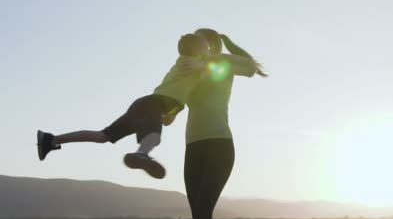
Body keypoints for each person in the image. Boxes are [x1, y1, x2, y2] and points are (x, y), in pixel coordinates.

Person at [37, 33, 259, 179]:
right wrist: (222, 53)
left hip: (146, 106)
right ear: (196, 50)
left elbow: (169, 119)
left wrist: (169, 115)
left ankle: (51, 139)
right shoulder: (190, 62)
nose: (208, 51)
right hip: (151, 105)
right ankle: (142, 155)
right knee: (154, 137)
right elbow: (235, 66)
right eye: (204, 47)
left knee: (103, 136)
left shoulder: (185, 71)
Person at [179, 28, 265, 219]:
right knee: (200, 216)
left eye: (203, 41)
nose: (198, 46)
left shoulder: (223, 63)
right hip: (193, 147)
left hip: (219, 144)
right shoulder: (189, 68)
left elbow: (251, 66)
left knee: (203, 212)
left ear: (212, 45)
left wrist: (230, 43)